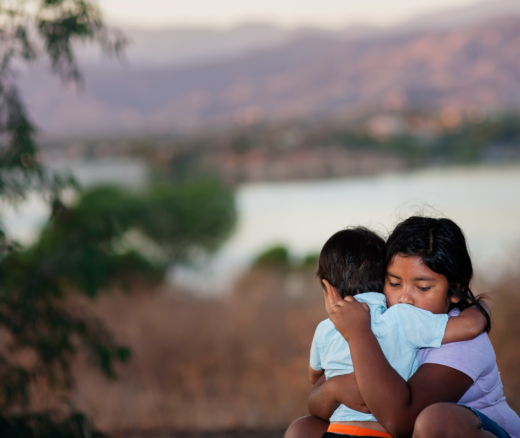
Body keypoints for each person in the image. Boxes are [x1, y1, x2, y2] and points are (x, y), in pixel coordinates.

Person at [286, 216, 520, 438]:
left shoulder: (464, 341)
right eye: (394, 283)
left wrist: (359, 335)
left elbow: (400, 421)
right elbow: (316, 398)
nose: (404, 299)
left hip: (479, 430)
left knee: (435, 420)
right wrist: (335, 388)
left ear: (456, 290)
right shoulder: (385, 321)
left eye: (423, 288)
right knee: (303, 430)